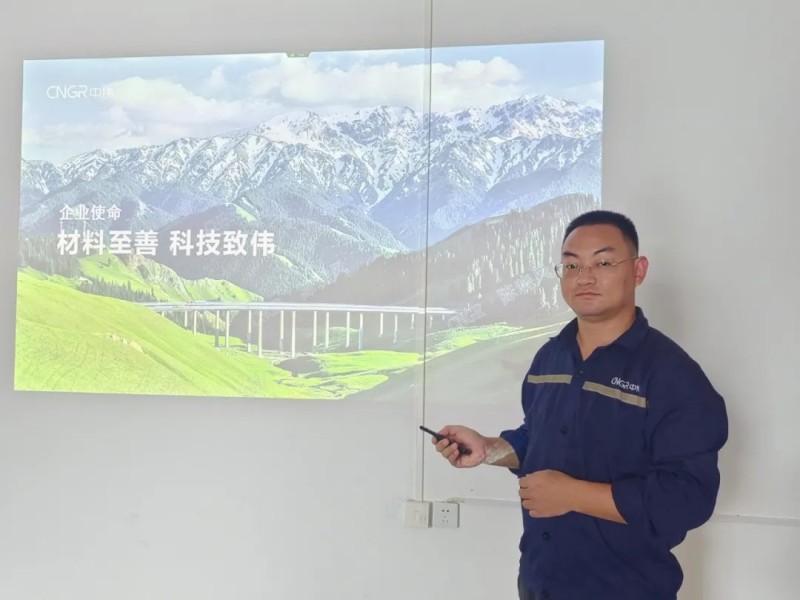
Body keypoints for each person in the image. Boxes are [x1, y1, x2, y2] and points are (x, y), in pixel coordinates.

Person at [432, 210, 728, 600]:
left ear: (638, 270)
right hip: (540, 583)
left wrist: (573, 496)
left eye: (603, 263)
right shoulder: (549, 359)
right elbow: (537, 440)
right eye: (572, 265)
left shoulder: (672, 376)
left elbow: (687, 498)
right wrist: (489, 449)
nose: (584, 277)